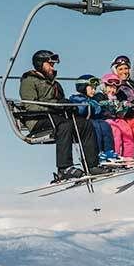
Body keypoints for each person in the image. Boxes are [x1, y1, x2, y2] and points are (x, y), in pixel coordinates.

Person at [18, 49, 101, 181]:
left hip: (55, 117)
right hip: (37, 119)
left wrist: (65, 105)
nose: (52, 67)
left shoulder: (54, 83)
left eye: (53, 65)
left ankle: (92, 165)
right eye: (50, 64)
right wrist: (54, 108)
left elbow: (59, 101)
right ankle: (64, 168)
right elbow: (30, 105)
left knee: (84, 124)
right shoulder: (29, 80)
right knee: (65, 125)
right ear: (40, 64)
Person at [69, 75, 125, 165]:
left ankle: (108, 152)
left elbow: (98, 110)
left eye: (95, 88)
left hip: (93, 120)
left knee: (105, 125)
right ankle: (97, 153)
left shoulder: (91, 99)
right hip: (82, 122)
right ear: (83, 88)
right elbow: (82, 109)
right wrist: (91, 105)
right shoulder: (76, 98)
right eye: (92, 88)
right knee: (96, 129)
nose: (94, 91)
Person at [99, 73, 134, 160]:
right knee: (116, 132)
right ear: (104, 86)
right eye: (109, 87)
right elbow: (98, 104)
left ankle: (128, 156)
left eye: (114, 88)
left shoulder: (116, 98)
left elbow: (120, 113)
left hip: (116, 119)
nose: (112, 90)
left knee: (127, 131)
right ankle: (114, 155)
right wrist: (107, 102)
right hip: (106, 119)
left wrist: (124, 107)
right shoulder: (100, 96)